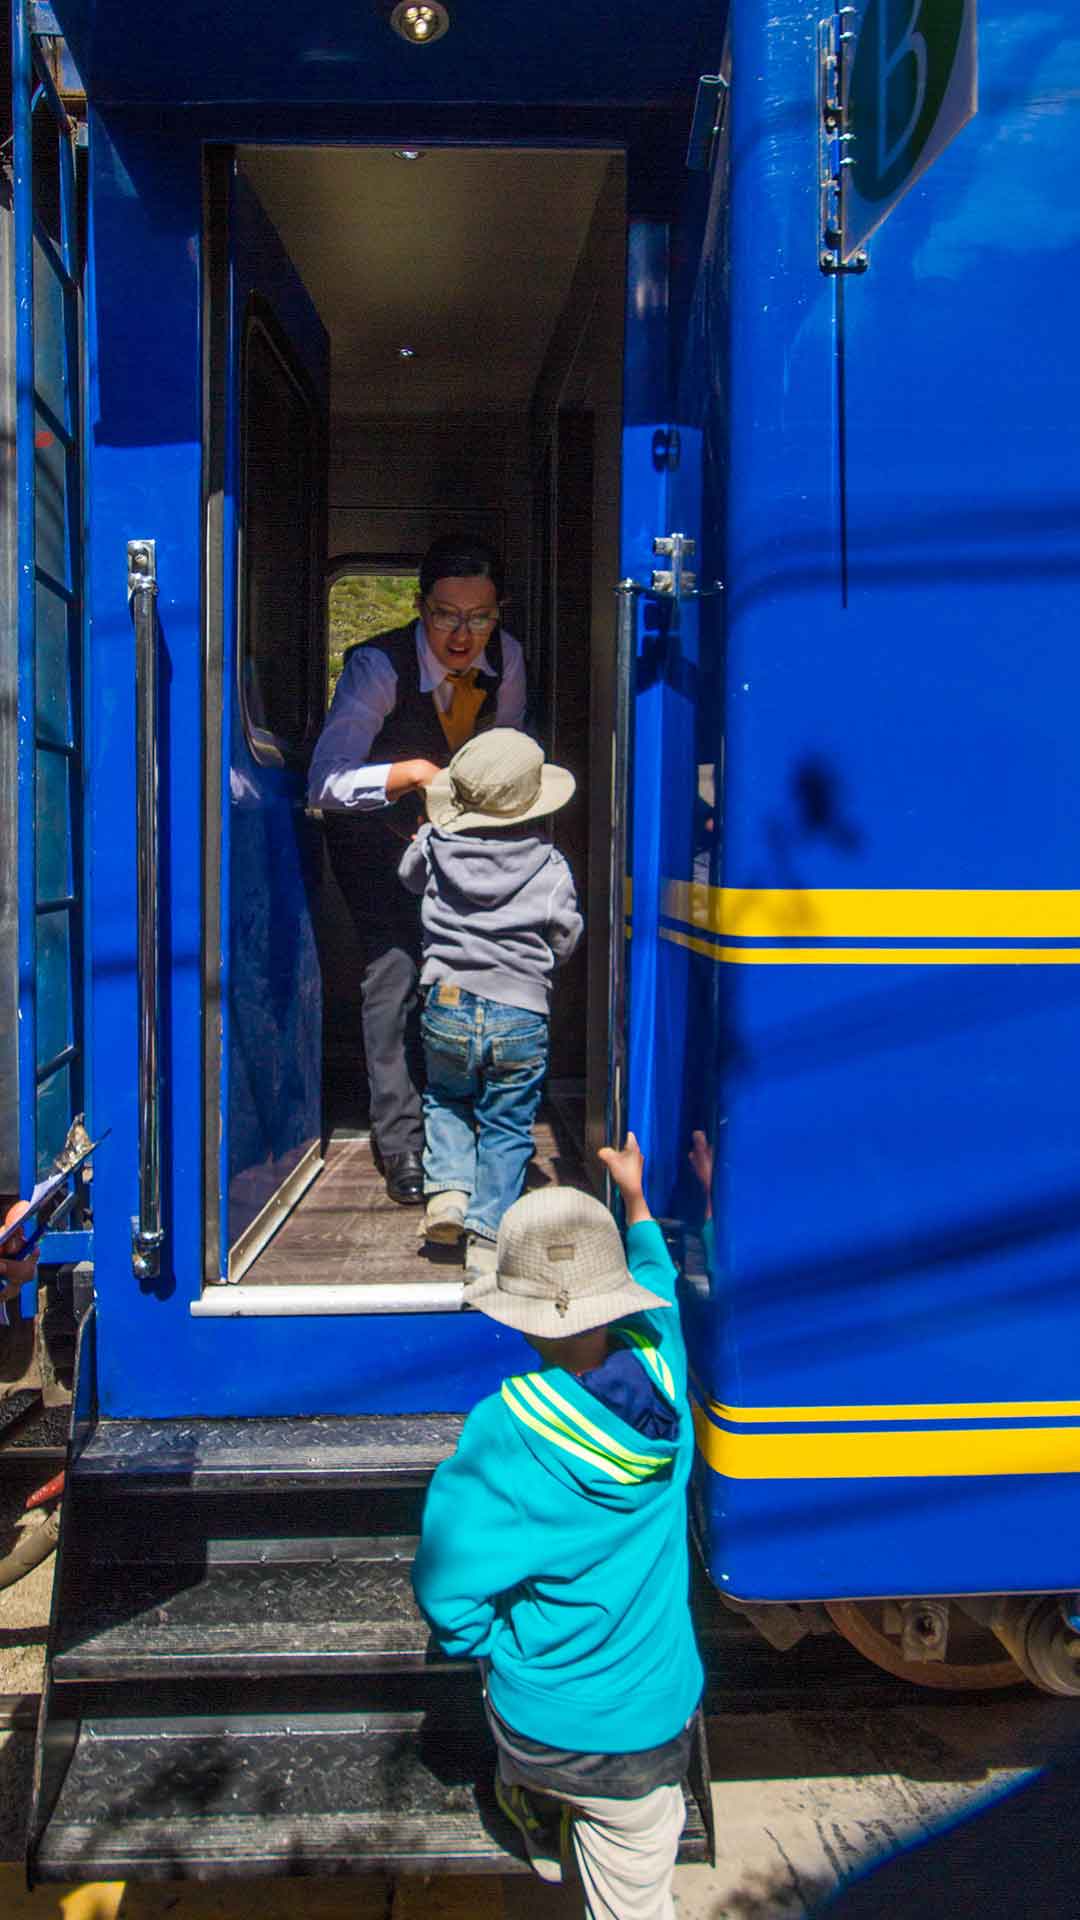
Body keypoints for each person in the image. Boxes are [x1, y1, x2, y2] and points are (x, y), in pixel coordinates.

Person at [412, 1134, 704, 1920]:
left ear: (521, 1317)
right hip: (652, 1735)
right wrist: (637, 1201)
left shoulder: (505, 1430)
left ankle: (536, 1811)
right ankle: (554, 1816)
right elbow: (659, 1285)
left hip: (542, 1729)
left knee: (497, 1644)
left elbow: (446, 1588)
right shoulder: (665, 1367)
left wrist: (489, 1648)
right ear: (617, 1302)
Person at [308, 536, 527, 1204]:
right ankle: (401, 1144)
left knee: (474, 969)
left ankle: (466, 1131)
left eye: (479, 617)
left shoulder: (508, 660)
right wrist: (409, 775)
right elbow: (324, 783)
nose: (462, 635)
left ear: (499, 613)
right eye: (444, 615)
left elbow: (507, 756)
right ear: (419, 607)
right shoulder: (378, 666)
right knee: (397, 968)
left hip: (458, 842)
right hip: (374, 841)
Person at [397, 728, 582, 1274]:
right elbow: (565, 937)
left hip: (447, 1000)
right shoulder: (550, 865)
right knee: (506, 1121)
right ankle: (486, 1234)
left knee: (448, 1098)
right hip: (521, 1013)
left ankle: (449, 1196)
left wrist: (424, 840)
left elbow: (408, 880)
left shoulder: (432, 844)